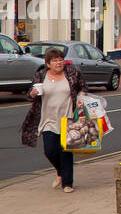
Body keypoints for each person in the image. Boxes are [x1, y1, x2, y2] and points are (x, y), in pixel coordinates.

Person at [19, 48, 88, 193]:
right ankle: (60, 172)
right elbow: (29, 95)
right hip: (48, 118)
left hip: (67, 118)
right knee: (50, 150)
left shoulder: (72, 73)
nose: (59, 63)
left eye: (60, 59)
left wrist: (81, 98)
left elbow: (83, 87)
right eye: (55, 60)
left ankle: (67, 183)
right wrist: (33, 93)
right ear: (48, 64)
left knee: (65, 151)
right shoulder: (40, 75)